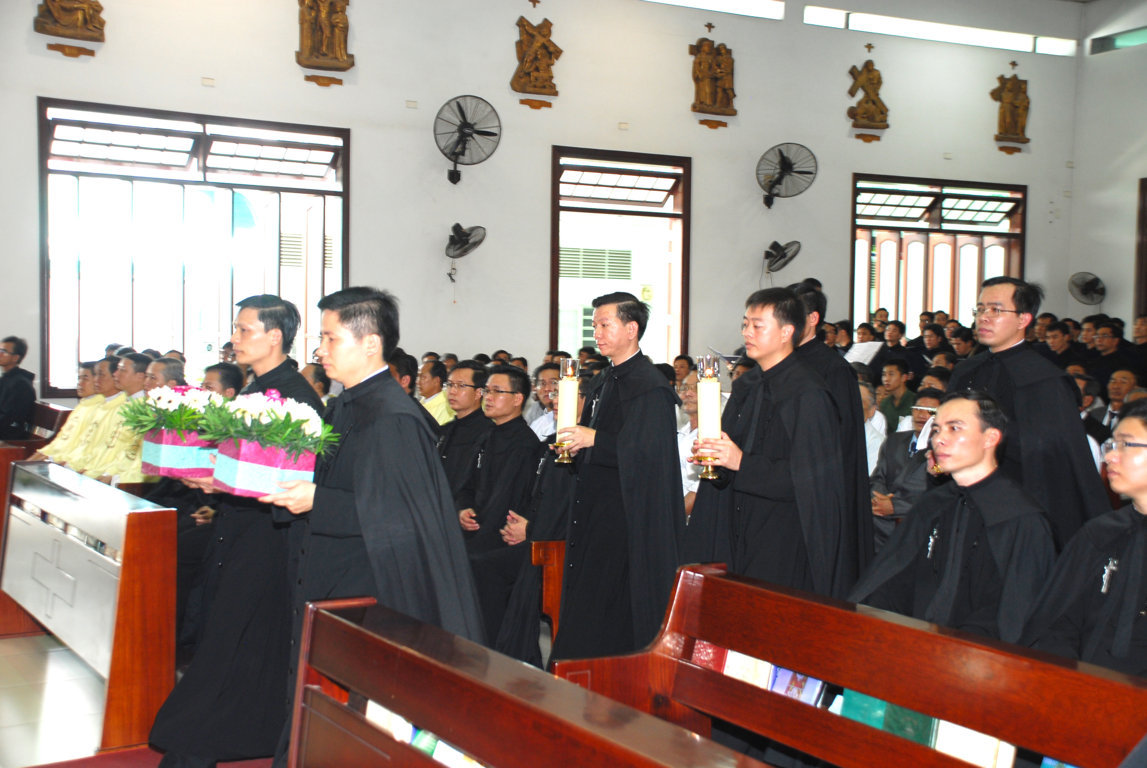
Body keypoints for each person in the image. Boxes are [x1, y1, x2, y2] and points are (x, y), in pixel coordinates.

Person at [261, 287, 484, 767]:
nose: (320, 350)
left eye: (330, 338)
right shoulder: (348, 404)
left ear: (369, 344)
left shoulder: (393, 417)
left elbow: (402, 516)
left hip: (370, 587)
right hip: (334, 576)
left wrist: (317, 500)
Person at [150, 295, 323, 768]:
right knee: (230, 641)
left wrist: (221, 481)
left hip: (268, 540)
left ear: (275, 336)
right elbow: (241, 466)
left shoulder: (295, 398)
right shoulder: (254, 390)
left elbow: (293, 481)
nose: (235, 339)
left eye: (245, 330)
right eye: (236, 328)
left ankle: (195, 747)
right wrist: (211, 478)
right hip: (238, 530)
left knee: (235, 643)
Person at [851, 391, 1055, 644]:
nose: (939, 439)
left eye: (954, 428)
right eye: (936, 429)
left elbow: (1013, 612)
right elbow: (895, 580)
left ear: (990, 438)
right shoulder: (933, 505)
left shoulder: (1021, 520)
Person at [687, 287, 852, 599]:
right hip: (739, 525)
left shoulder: (809, 394)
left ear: (786, 332)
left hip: (783, 534)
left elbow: (811, 481)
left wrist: (740, 462)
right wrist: (715, 459)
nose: (747, 332)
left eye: (757, 325)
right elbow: (734, 458)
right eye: (745, 324)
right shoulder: (749, 385)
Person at [549, 291, 683, 661]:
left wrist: (595, 439)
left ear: (631, 329)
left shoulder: (650, 386)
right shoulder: (604, 380)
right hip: (594, 510)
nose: (597, 333)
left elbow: (650, 456)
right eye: (595, 325)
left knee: (613, 611)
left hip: (626, 518)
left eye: (605, 325)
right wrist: (575, 445)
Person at [950, 276, 1109, 550]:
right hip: (961, 500)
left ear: (1023, 319)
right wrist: (938, 463)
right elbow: (945, 442)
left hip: (1017, 506)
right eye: (980, 309)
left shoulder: (1046, 380)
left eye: (996, 310)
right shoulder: (966, 370)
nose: (984, 317)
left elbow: (1052, 458)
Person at [1024, 397, 1147, 676]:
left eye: (1125, 445)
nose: (1109, 456)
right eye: (1110, 445)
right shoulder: (1101, 533)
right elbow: (1056, 621)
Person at [791, 283, 873, 579]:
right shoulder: (781, 362)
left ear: (813, 319)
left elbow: (841, 441)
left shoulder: (833, 369)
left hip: (818, 488)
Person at [869, 388, 943, 552]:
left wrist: (894, 506)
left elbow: (938, 494)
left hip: (915, 520)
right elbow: (878, 477)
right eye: (918, 409)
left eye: (930, 411)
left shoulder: (943, 449)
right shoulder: (895, 440)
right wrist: (879, 500)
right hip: (880, 516)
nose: (922, 415)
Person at [437, 360, 493, 500]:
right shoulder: (445, 430)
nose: (452, 391)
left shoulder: (489, 433)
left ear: (478, 392)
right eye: (450, 385)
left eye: (461, 386)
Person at [0, 336, 36, 439]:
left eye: (4, 352)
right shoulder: (6, 379)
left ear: (15, 358)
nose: (0, 354)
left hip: (10, 437)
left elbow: (9, 419)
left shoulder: (21, 385)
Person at [417, 359, 455, 425]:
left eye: (423, 377)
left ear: (436, 380)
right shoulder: (421, 402)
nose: (417, 382)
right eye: (417, 377)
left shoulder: (446, 408)